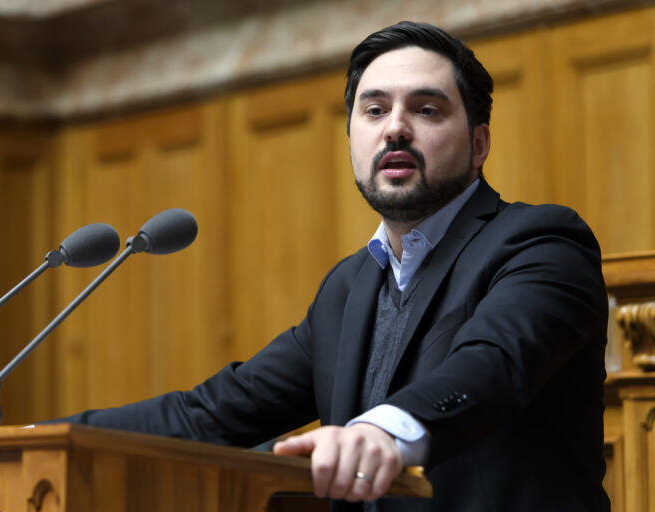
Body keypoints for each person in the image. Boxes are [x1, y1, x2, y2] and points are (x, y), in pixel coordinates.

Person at [53, 21, 610, 511]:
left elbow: (493, 364)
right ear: (351, 140)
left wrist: (382, 432)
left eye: (426, 109)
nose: (395, 128)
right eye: (374, 110)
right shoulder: (348, 288)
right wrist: (50, 439)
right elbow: (211, 415)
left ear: (480, 142)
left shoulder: (542, 242)